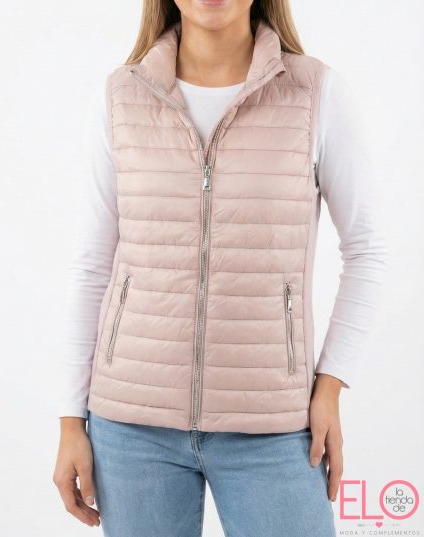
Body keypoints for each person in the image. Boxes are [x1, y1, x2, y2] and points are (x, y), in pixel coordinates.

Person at [53, 0, 388, 535]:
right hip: (130, 427)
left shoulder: (315, 93)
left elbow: (368, 250)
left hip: (273, 425)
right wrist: (71, 418)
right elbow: (92, 265)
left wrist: (330, 385)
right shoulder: (121, 96)